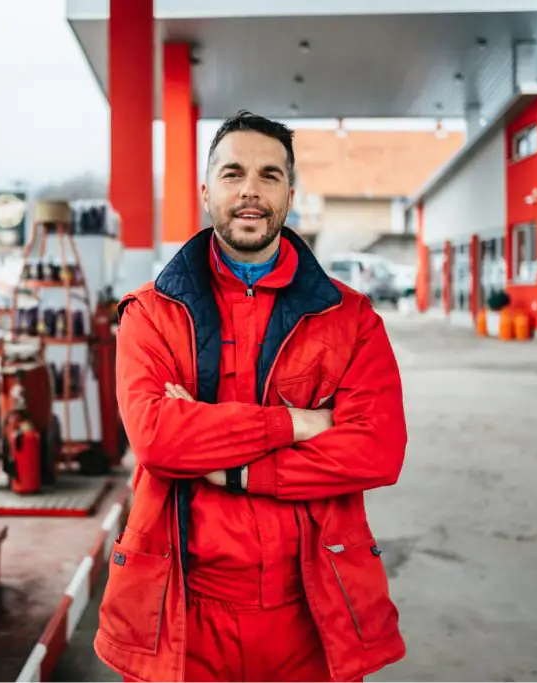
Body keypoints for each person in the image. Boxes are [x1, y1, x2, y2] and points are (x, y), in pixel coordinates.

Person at [94, 110, 408, 683]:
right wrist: (299, 424)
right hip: (183, 610)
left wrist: (235, 471)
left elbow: (378, 450)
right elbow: (159, 440)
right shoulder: (151, 314)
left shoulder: (352, 319)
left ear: (290, 191)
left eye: (269, 175)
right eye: (233, 172)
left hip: (310, 613)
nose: (250, 191)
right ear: (207, 189)